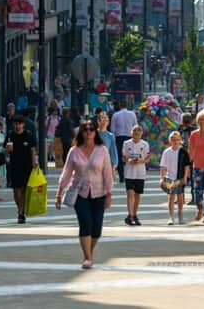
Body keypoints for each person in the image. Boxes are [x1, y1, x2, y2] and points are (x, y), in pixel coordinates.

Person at [55, 119, 113, 269]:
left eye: (91, 129)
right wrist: (59, 192)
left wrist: (109, 194)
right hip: (80, 193)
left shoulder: (102, 150)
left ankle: (89, 252)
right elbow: (67, 172)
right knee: (85, 222)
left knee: (97, 228)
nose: (88, 132)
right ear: (81, 132)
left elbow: (107, 173)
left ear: (95, 131)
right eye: (85, 129)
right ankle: (87, 257)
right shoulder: (74, 151)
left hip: (99, 193)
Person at [5, 115, 37, 224]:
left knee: (24, 190)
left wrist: (34, 162)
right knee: (16, 191)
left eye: (19, 123)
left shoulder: (28, 135)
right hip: (14, 166)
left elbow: (33, 150)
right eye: (15, 123)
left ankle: (21, 213)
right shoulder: (10, 135)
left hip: (26, 166)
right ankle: (20, 208)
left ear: (23, 124)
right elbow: (5, 151)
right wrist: (7, 150)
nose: (17, 125)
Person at [159, 131, 191, 225]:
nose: (175, 141)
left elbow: (186, 166)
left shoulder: (183, 152)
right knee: (171, 197)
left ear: (180, 140)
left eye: (177, 139)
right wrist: (162, 177)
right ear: (170, 141)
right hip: (170, 177)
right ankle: (171, 217)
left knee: (180, 197)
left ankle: (180, 216)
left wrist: (185, 177)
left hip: (180, 177)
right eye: (173, 139)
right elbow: (163, 166)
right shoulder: (166, 152)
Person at [122, 125, 150, 226]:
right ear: (131, 133)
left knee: (137, 194)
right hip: (129, 172)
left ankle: (135, 214)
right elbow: (124, 157)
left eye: (139, 131)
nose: (137, 133)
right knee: (130, 193)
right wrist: (129, 160)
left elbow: (147, 158)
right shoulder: (126, 143)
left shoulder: (145, 144)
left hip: (140, 173)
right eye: (134, 131)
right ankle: (130, 215)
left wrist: (140, 161)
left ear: (141, 133)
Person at [110, 99, 138, 183]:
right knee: (130, 155)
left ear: (119, 105)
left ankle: (122, 176)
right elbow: (136, 126)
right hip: (130, 136)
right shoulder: (132, 114)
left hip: (119, 137)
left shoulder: (115, 115)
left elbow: (112, 129)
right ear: (127, 105)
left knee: (119, 156)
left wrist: (113, 139)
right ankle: (130, 175)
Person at [97, 112, 119, 179]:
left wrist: (113, 167)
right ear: (98, 121)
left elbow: (113, 151)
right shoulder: (93, 134)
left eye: (106, 120)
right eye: (101, 120)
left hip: (106, 164)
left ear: (108, 122)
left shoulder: (110, 136)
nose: (103, 122)